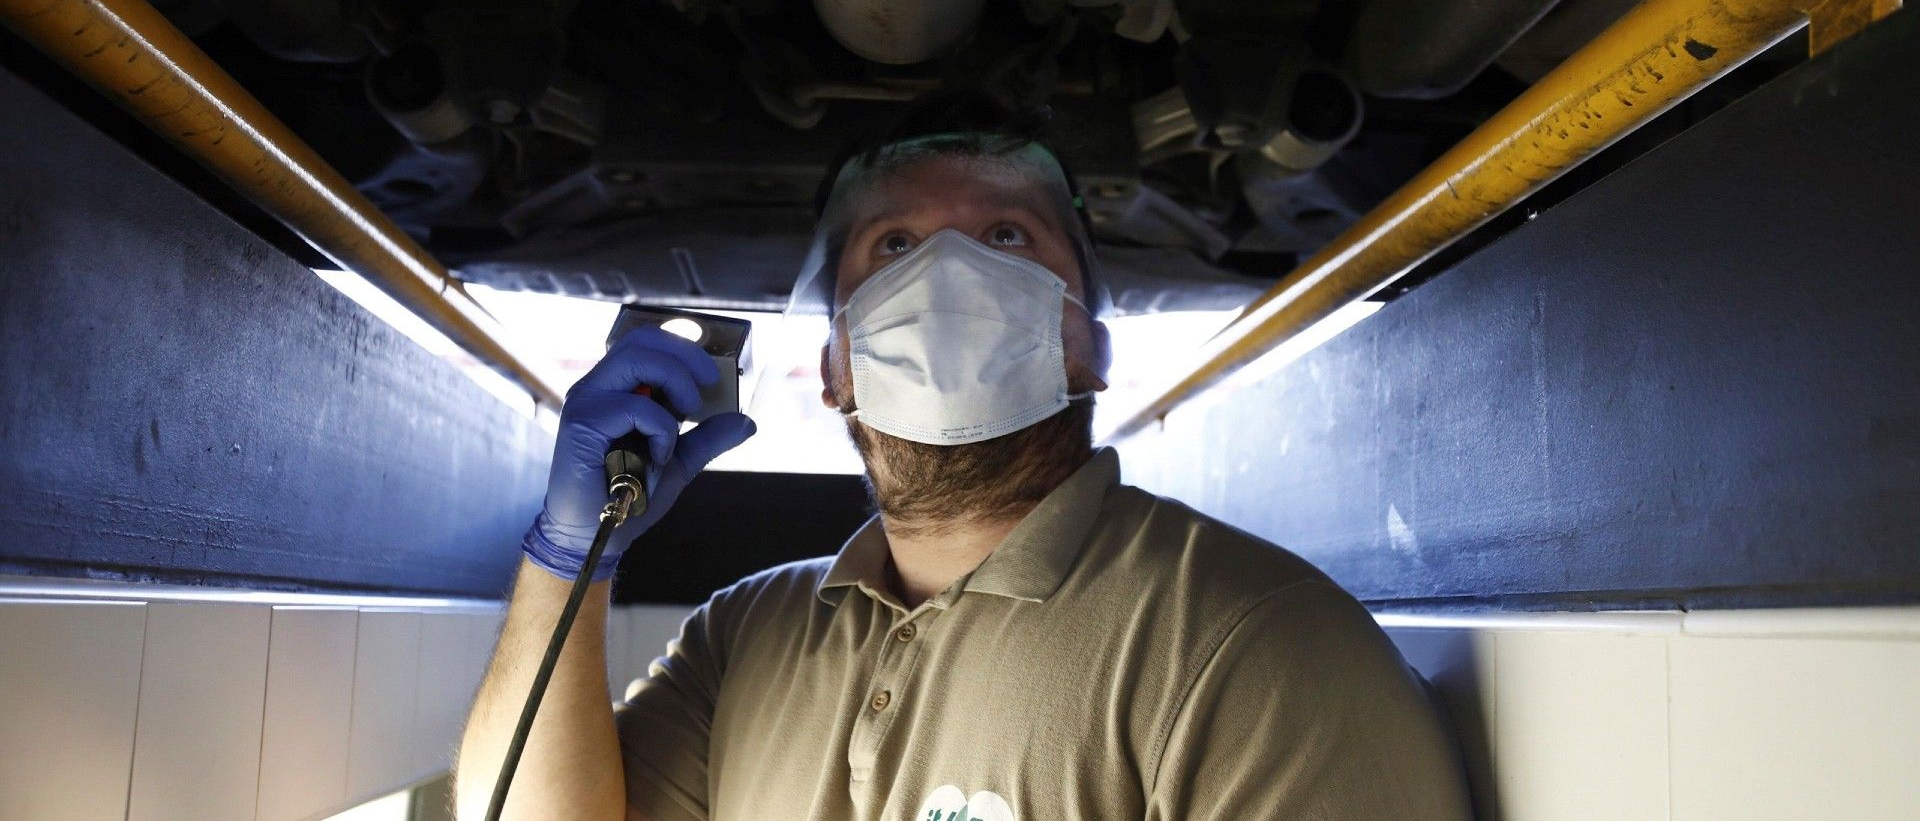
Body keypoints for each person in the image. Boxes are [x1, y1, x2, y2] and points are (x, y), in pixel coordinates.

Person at [455, 92, 1473, 820]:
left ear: (1090, 346)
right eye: (893, 247)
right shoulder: (744, 633)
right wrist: (568, 558)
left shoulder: (1256, 645)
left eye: (1007, 236)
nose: (950, 274)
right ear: (836, 365)